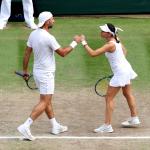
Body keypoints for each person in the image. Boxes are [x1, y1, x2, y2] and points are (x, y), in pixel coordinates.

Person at [17, 11, 81, 140]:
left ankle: (54, 126)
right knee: (44, 101)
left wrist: (25, 70)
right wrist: (75, 42)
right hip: (46, 74)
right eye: (52, 19)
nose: (54, 21)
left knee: (46, 100)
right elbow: (63, 53)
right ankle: (26, 125)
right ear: (46, 21)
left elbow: (27, 53)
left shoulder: (33, 34)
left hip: (37, 72)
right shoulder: (48, 37)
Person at [80, 23, 140, 133]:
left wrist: (83, 42)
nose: (101, 32)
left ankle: (107, 126)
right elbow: (124, 52)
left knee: (109, 98)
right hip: (126, 69)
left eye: (103, 31)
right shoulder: (117, 40)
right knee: (127, 94)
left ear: (108, 34)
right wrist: (119, 66)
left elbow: (93, 54)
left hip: (121, 72)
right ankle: (134, 118)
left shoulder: (110, 45)